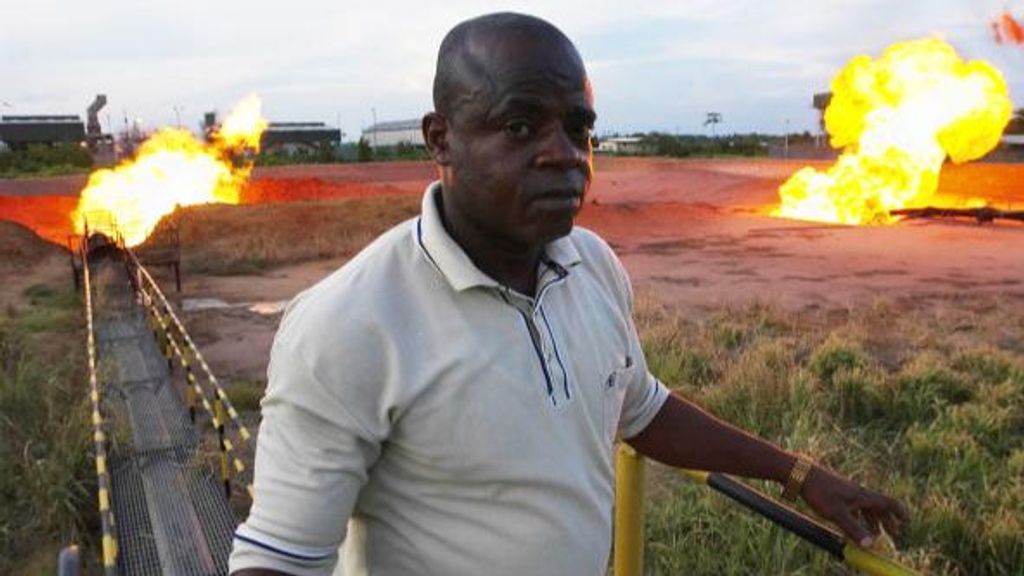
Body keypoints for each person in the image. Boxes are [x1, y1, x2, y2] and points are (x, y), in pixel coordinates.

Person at [229, 12, 908, 576]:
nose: (566, 154)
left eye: (579, 128)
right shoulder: (348, 325)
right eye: (520, 127)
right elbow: (279, 559)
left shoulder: (591, 265)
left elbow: (639, 407)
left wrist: (799, 475)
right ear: (441, 138)